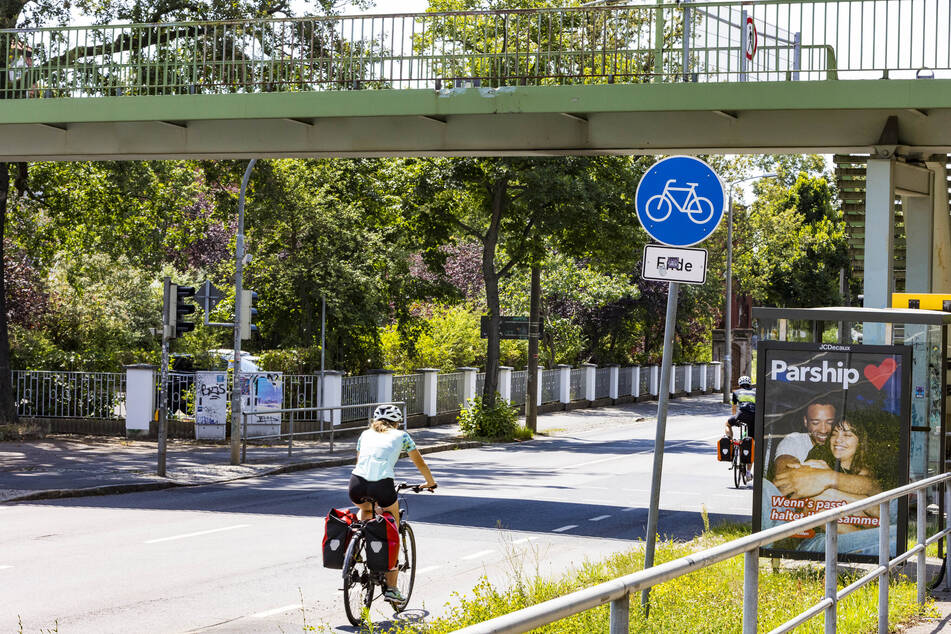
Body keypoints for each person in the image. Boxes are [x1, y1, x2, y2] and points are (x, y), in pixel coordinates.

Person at [349, 403, 437, 603]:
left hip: (356, 484)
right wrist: (430, 482)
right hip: (382, 485)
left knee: (366, 511)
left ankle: (354, 552)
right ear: (397, 422)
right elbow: (420, 462)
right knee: (392, 532)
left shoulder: (365, 434)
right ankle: (392, 589)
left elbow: (359, 462)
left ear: (375, 420)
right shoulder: (402, 436)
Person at [772, 400, 879, 500]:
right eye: (815, 422)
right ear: (805, 421)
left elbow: (872, 487)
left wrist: (827, 477)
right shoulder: (801, 443)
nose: (823, 430)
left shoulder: (859, 463)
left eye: (829, 423)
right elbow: (786, 478)